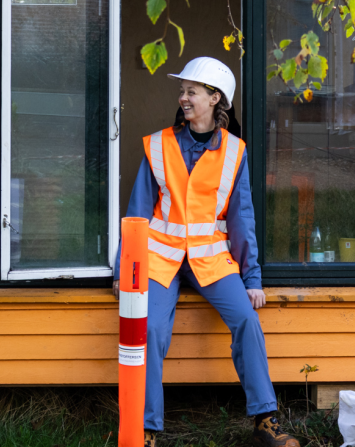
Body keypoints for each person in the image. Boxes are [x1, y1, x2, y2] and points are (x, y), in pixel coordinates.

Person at [113, 57, 299, 447]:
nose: (183, 98)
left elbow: (241, 218)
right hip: (161, 260)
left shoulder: (235, 152)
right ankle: (145, 430)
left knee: (247, 320)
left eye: (191, 92)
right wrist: (123, 272)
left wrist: (252, 279)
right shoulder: (158, 145)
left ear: (215, 99)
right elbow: (137, 213)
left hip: (210, 260)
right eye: (182, 91)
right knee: (150, 330)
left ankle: (265, 421)